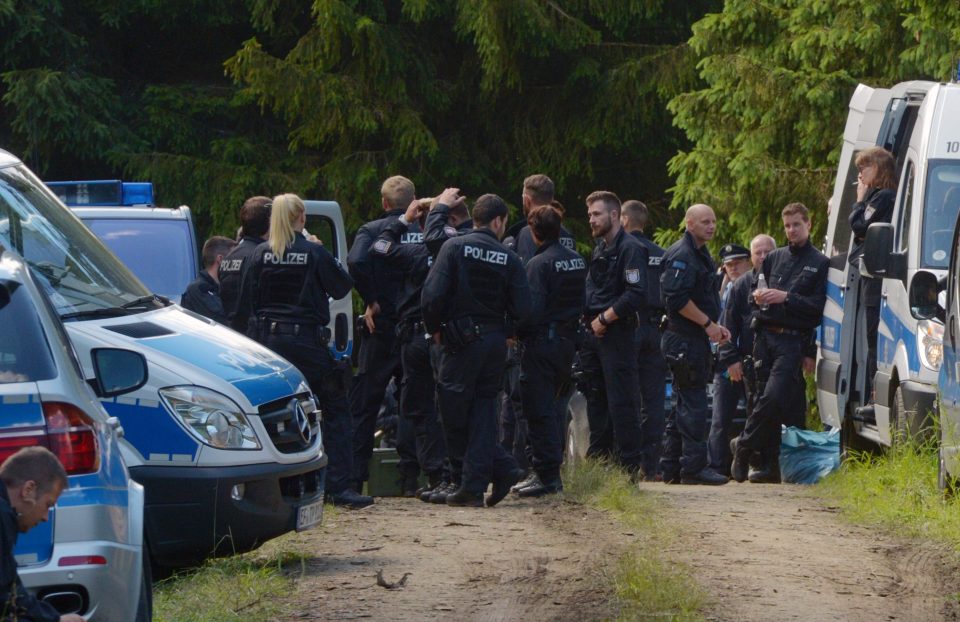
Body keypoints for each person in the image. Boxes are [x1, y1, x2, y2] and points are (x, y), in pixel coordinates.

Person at [238, 194, 371, 508]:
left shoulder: (258, 254)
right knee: (335, 410)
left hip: (269, 346)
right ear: (301, 217)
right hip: (306, 344)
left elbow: (247, 302)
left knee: (274, 412)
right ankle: (339, 488)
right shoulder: (312, 252)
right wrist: (321, 248)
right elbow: (341, 286)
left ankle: (278, 488)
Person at [421, 193, 531, 507]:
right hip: (495, 343)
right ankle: (487, 476)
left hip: (458, 341)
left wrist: (437, 329)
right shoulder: (509, 258)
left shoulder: (453, 247)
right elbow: (524, 308)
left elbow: (431, 296)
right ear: (498, 222)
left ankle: (480, 479)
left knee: (455, 412)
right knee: (483, 411)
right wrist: (507, 332)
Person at [369, 188, 467, 503]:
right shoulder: (458, 247)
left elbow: (379, 247)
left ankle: (435, 474)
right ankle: (453, 475)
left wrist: (402, 220)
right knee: (446, 407)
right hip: (445, 337)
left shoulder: (413, 252)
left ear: (421, 223)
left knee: (420, 408)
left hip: (414, 336)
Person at [731, 203, 828, 483]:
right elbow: (754, 293)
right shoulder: (773, 258)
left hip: (791, 339)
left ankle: (744, 445)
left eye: (796, 224)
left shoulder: (819, 263)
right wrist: (760, 297)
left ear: (808, 225)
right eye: (787, 226)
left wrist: (785, 297)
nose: (791, 230)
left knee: (774, 396)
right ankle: (763, 459)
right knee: (763, 400)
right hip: (764, 335)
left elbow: (816, 308)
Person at [348, 176, 425, 495]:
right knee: (412, 403)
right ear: (413, 202)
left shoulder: (371, 231)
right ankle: (410, 479)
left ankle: (354, 479)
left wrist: (371, 298)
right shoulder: (423, 234)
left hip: (378, 326)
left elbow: (355, 261)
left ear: (383, 203)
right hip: (414, 326)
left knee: (366, 404)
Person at [513, 205, 586, 497]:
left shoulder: (538, 264)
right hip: (568, 343)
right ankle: (551, 472)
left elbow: (532, 310)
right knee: (556, 408)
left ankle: (545, 475)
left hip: (543, 343)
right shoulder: (577, 260)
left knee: (538, 408)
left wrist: (516, 332)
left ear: (533, 232)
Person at [659, 204, 731, 486]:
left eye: (713, 221)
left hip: (694, 337)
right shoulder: (683, 254)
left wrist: (714, 326)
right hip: (684, 338)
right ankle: (693, 468)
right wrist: (707, 325)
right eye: (704, 222)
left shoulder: (700, 253)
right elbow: (676, 299)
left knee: (684, 403)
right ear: (689, 224)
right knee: (694, 403)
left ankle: (671, 467)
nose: (711, 226)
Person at [580, 191, 647, 477]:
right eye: (590, 215)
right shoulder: (600, 249)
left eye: (596, 214)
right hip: (594, 336)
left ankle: (627, 470)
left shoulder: (630, 248)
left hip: (616, 333)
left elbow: (636, 294)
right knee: (597, 400)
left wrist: (605, 318)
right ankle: (600, 465)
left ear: (614, 215)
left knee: (622, 403)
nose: (592, 220)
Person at [709, 235, 775, 475]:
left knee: (755, 414)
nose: (733, 267)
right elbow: (725, 328)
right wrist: (730, 360)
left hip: (760, 362)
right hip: (731, 363)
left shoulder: (776, 280)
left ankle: (753, 462)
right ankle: (717, 468)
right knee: (720, 418)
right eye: (729, 264)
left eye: (738, 262)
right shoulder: (732, 288)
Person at [1, 446, 84, 622]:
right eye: (48, 504)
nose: (46, 517)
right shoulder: (2, 516)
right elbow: (7, 600)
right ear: (28, 490)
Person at [620, 199, 667, 479]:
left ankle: (627, 462)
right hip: (656, 329)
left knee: (626, 397)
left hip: (629, 327)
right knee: (654, 400)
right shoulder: (661, 254)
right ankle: (651, 465)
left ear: (623, 220)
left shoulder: (623, 250)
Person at [849, 147, 897, 412]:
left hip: (875, 276)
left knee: (874, 337)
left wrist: (859, 199)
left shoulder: (883, 197)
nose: (860, 173)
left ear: (878, 168)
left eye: (864, 167)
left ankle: (873, 396)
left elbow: (858, 226)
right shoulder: (878, 197)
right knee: (870, 336)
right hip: (869, 272)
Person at [219, 196, 272, 332]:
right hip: (255, 335)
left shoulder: (229, 256)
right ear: (270, 223)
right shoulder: (262, 257)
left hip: (232, 332)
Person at [181, 236, 237, 323]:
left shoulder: (218, 288)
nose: (235, 264)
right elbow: (221, 319)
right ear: (220, 259)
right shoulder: (199, 289)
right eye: (233, 259)